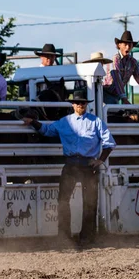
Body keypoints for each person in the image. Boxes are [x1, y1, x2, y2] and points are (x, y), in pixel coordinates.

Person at [22, 89, 116, 244]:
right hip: (72, 164)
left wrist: (100, 160)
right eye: (78, 103)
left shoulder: (95, 122)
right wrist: (33, 122)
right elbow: (46, 130)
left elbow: (109, 143)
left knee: (89, 202)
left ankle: (86, 237)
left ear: (86, 104)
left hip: (87, 164)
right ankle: (65, 236)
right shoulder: (65, 122)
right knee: (63, 200)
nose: (80, 105)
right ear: (73, 105)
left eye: (83, 103)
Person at [103, 31, 139, 104]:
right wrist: (124, 98)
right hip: (105, 93)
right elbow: (117, 79)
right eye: (125, 44)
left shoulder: (133, 62)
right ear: (119, 45)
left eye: (130, 45)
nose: (128, 47)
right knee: (113, 110)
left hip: (116, 96)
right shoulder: (115, 59)